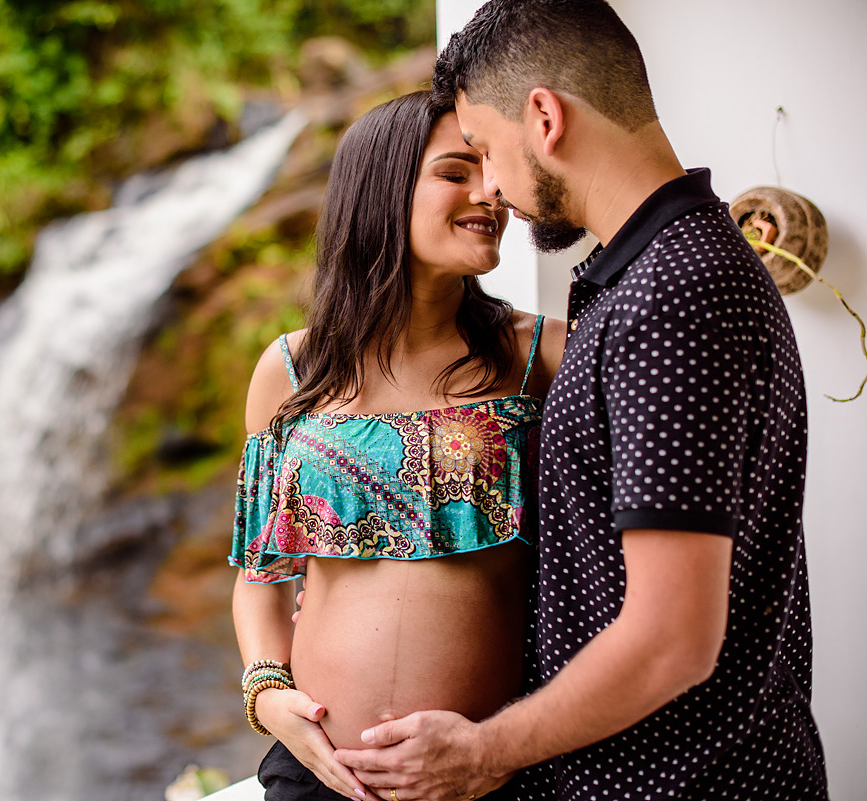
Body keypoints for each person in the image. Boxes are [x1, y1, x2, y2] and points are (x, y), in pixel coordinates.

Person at [333, 2, 829, 800]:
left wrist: (484, 751)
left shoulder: (672, 294)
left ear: (545, 117)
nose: (493, 187)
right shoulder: (649, 278)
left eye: (485, 149)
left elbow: (671, 638)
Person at [230, 90, 565, 801]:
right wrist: (268, 694)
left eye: (490, 170)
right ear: (381, 192)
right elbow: (262, 575)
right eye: (454, 172)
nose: (490, 191)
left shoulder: (540, 355)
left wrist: (512, 747)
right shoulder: (290, 371)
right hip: (319, 777)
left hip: (488, 778)